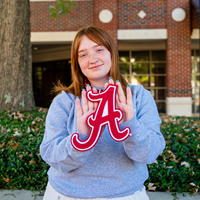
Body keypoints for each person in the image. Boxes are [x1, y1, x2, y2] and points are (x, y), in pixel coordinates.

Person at [40, 26, 165, 200]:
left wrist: (131, 124)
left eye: (99, 49)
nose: (92, 59)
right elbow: (51, 155)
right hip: (66, 194)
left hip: (125, 195)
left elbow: (150, 153)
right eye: (83, 54)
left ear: (112, 53)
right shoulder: (65, 102)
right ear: (77, 62)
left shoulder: (138, 97)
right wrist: (81, 137)